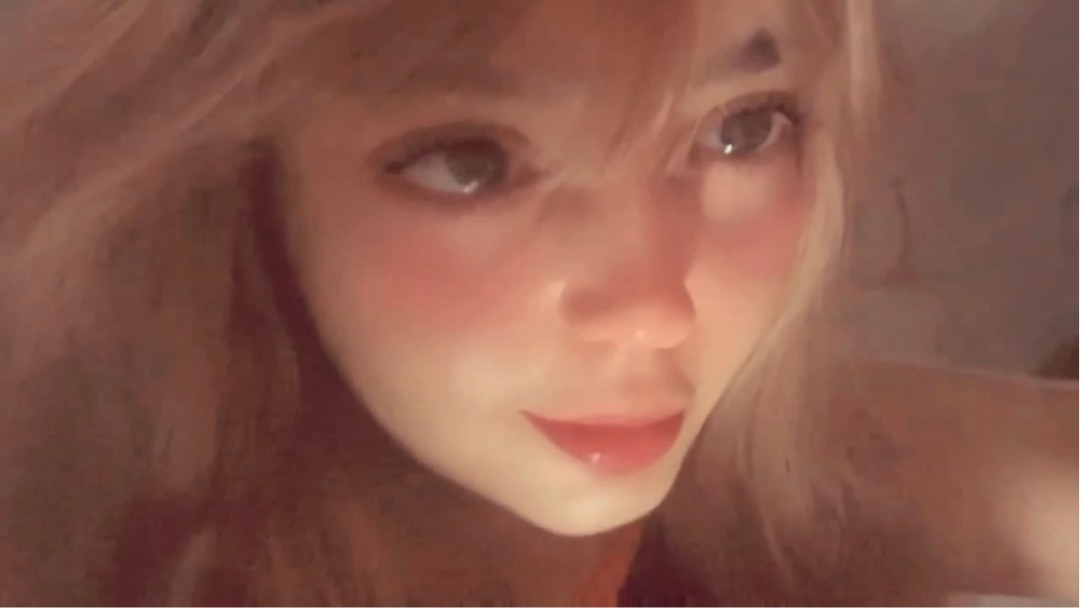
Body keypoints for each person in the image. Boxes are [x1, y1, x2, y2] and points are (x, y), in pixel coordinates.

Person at [0, 0, 1074, 605]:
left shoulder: (786, 479)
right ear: (242, 181)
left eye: (742, 128)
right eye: (472, 162)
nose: (653, 309)